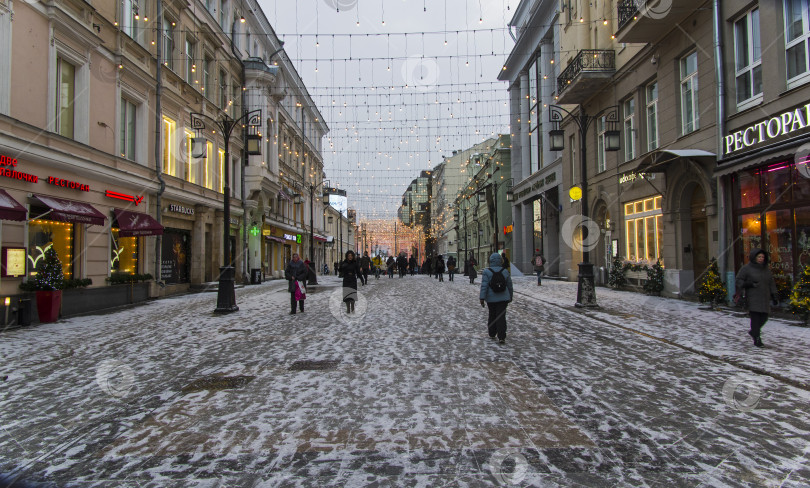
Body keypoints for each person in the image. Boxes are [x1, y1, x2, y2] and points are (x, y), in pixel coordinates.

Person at [735, 248, 778, 347]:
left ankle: (754, 331)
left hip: (764, 297)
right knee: (755, 318)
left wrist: (774, 295)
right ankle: (757, 339)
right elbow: (739, 280)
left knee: (764, 317)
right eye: (759, 257)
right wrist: (748, 284)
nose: (761, 259)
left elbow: (771, 283)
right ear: (754, 257)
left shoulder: (766, 269)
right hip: (753, 297)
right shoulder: (746, 268)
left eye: (762, 257)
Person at [480, 253, 514, 344]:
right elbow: (509, 285)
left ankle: (492, 332)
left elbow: (484, 286)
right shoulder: (505, 271)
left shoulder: (487, 272)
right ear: (500, 261)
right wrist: (510, 296)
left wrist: (482, 298)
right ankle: (502, 336)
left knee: (492, 314)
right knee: (501, 316)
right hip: (503, 298)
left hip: (491, 299)